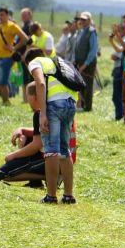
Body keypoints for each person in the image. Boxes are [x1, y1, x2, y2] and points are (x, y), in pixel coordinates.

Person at [24, 47, 78, 204]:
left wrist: (42, 113)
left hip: (54, 104)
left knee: (51, 151)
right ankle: (68, 195)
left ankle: (51, 195)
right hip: (70, 103)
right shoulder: (56, 62)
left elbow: (40, 84)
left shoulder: (35, 62)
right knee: (64, 150)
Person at [0, 83, 46, 183]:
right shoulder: (52, 110)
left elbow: (36, 145)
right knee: (26, 138)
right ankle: (36, 182)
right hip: (62, 160)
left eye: (27, 95)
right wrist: (22, 131)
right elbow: (40, 133)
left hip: (50, 162)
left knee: (4, 173)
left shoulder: (39, 114)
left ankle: (48, 177)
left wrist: (13, 155)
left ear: (34, 96)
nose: (27, 99)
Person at [0, 6, 29, 106]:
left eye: (2, 15)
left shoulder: (12, 26)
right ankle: (7, 97)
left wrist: (14, 48)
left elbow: (25, 38)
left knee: (3, 83)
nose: (0, 17)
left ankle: (6, 102)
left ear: (7, 15)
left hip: (7, 58)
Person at [73, 12, 98, 112]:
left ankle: (87, 107)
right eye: (81, 19)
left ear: (89, 20)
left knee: (87, 86)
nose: (81, 21)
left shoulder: (92, 32)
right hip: (80, 62)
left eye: (84, 20)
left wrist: (85, 64)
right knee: (81, 85)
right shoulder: (81, 31)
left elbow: (93, 50)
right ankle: (82, 105)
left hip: (88, 63)